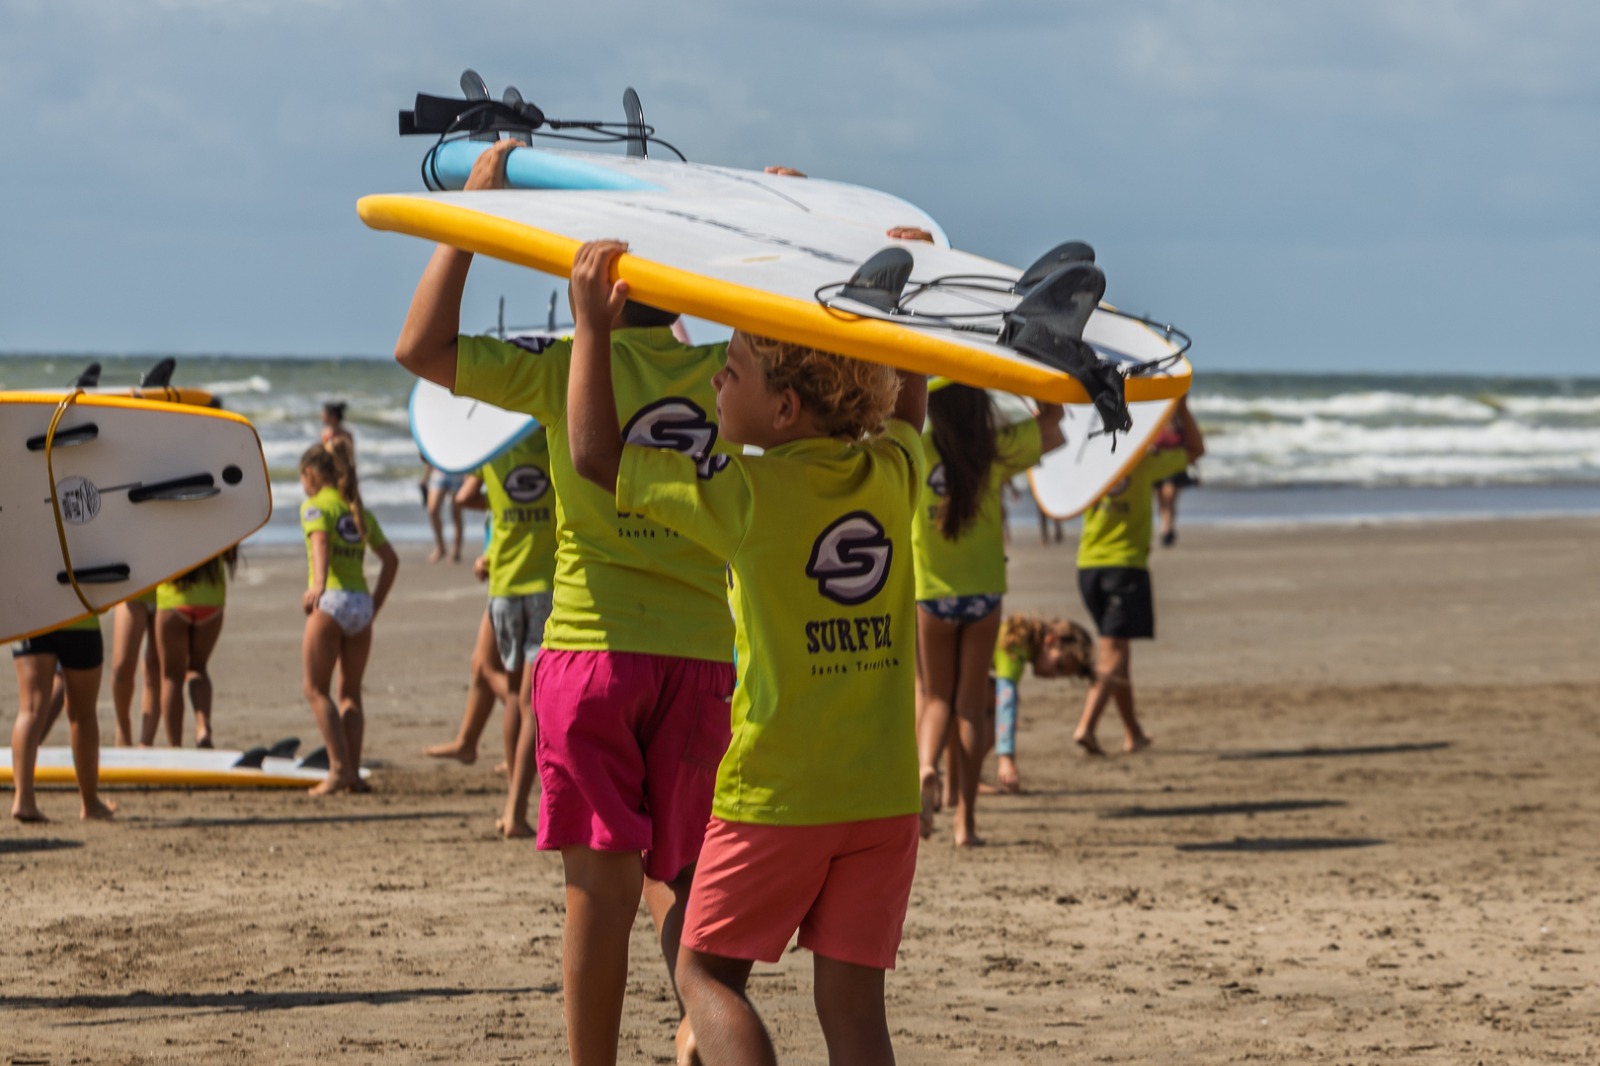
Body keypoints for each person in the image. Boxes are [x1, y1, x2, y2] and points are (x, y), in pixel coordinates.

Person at [392, 139, 739, 1066]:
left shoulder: (562, 367)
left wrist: (472, 214)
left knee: (599, 887)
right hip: (703, 657)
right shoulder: (730, 375)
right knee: (682, 872)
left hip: (593, 654)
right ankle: (700, 1019)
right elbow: (816, 349)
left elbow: (419, 348)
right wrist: (771, 233)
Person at [565, 237, 928, 1066]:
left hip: (777, 792)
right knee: (852, 1007)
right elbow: (910, 407)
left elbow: (595, 456)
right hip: (882, 796)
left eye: (731, 370)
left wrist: (590, 329)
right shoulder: (892, 472)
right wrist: (899, 316)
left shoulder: (746, 492)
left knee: (704, 974)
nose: (715, 382)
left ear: (785, 409)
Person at [912, 383, 1064, 846]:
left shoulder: (914, 446)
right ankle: (966, 823)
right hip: (983, 594)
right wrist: (1023, 378)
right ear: (979, 403)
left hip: (933, 594)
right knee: (970, 705)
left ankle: (925, 768)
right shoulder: (994, 448)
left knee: (935, 698)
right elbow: (1054, 423)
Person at [424, 428, 558, 839]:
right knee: (529, 703)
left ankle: (512, 803)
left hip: (503, 588)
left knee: (515, 697)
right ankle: (516, 810)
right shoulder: (554, 443)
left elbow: (463, 497)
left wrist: (500, 506)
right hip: (544, 585)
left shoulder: (492, 453)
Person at [1073, 394, 1205, 754]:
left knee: (1119, 652)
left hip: (1087, 568)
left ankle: (1133, 732)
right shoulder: (1143, 464)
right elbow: (1196, 450)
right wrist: (1180, 406)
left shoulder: (1089, 465)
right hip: (1124, 567)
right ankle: (1086, 726)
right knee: (1113, 655)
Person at [298, 439, 399, 795]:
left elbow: (321, 542)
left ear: (310, 474)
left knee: (315, 689)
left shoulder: (315, 506)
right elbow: (391, 560)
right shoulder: (357, 509)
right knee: (350, 693)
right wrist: (374, 606)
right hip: (359, 604)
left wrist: (318, 584)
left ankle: (339, 769)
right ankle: (353, 773)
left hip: (331, 602)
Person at [10, 615, 117, 823]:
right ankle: (90, 804)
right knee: (82, 715)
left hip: (28, 616)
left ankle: (23, 799)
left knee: (29, 710)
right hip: (78, 617)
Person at [989, 614, 1094, 793]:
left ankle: (956, 784)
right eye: (1058, 666)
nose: (1054, 676)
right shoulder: (1014, 648)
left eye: (1061, 675)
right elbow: (1006, 704)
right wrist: (1006, 760)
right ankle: (963, 781)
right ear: (1050, 641)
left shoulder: (1015, 634)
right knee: (986, 706)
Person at [148, 547, 236, 748]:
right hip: (211, 597)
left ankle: (175, 747)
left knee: (172, 677)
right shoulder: (215, 523)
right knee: (198, 667)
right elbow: (230, 552)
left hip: (174, 596)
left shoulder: (169, 523)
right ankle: (202, 726)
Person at [109, 592, 161, 747]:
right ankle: (123, 729)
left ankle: (146, 742)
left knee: (155, 667)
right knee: (121, 667)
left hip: (166, 590)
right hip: (133, 590)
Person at [1151, 405, 1200, 547]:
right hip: (1157, 468)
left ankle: (1166, 528)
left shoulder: (1181, 427)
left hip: (1175, 469)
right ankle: (1166, 526)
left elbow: (1192, 447)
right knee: (1162, 501)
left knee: (1169, 499)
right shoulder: (1157, 426)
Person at [420, 454, 465, 564]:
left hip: (458, 472)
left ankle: (456, 551)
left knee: (456, 513)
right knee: (432, 510)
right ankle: (441, 547)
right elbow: (433, 451)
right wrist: (426, 475)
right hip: (439, 472)